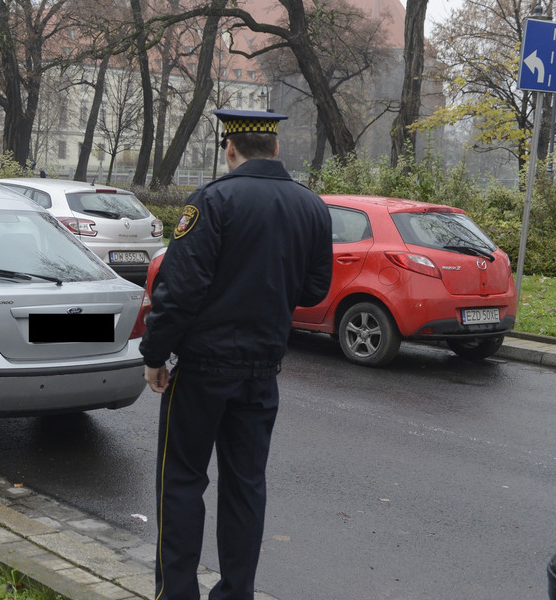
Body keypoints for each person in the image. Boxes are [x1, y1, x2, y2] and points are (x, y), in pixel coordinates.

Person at [139, 109, 332, 600]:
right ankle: (236, 594)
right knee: (245, 486)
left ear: (230, 148)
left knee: (181, 480)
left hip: (203, 368)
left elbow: (179, 291)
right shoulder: (311, 206)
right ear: (276, 147)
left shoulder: (212, 200)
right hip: (262, 370)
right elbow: (314, 289)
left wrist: (154, 354)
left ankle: (178, 594)